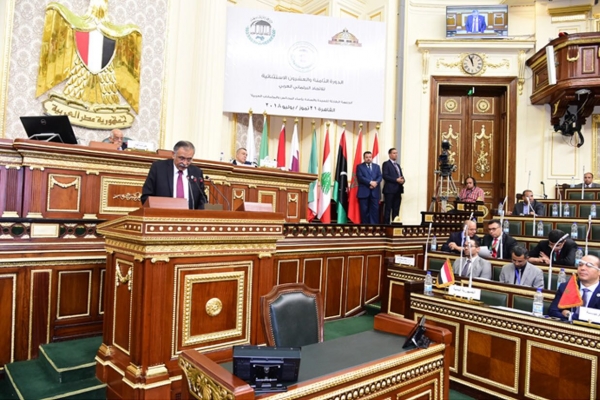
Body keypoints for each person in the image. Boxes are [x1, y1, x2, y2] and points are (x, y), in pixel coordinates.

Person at [141, 140, 206, 209]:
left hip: (189, 215)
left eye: (189, 159)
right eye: (182, 158)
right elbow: (146, 196)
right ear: (173, 155)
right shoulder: (158, 168)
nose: (185, 163)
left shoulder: (196, 172)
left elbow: (202, 199)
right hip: (162, 214)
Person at [549, 255, 600, 321]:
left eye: (589, 265)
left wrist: (570, 315)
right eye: (580, 265)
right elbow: (552, 311)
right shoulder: (566, 287)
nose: (582, 268)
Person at [356, 151, 382, 224]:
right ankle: (365, 227)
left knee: (375, 210)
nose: (368, 158)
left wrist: (375, 183)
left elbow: (380, 176)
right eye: (366, 157)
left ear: (372, 157)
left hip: (375, 192)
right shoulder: (360, 166)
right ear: (364, 158)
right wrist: (370, 182)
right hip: (364, 192)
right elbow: (360, 177)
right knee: (364, 211)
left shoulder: (377, 166)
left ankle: (374, 227)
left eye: (370, 157)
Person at [381, 148, 405, 224]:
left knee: (396, 209)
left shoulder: (397, 165)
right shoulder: (386, 164)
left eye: (396, 153)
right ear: (390, 154)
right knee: (388, 209)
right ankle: (386, 226)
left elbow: (401, 176)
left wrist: (402, 180)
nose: (396, 155)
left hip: (398, 190)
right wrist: (396, 180)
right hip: (389, 190)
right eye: (394, 153)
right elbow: (385, 176)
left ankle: (395, 225)